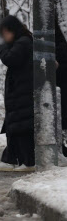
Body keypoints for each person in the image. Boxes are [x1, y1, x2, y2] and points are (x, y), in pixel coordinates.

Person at [0, 15, 35, 172]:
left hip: (22, 91)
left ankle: (27, 162)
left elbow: (9, 58)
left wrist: (3, 46)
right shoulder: (23, 41)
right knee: (14, 127)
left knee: (20, 127)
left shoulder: (23, 42)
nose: (4, 36)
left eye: (5, 33)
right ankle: (10, 159)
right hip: (19, 91)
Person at [56, 19, 67, 157]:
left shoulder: (57, 48)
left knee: (61, 120)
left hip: (61, 88)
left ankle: (62, 148)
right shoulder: (62, 45)